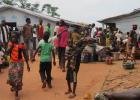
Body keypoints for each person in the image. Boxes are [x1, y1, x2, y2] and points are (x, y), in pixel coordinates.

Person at [7, 31, 30, 97]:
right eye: (12, 36)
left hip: (19, 63)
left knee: (18, 77)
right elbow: (7, 52)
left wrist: (28, 65)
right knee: (11, 76)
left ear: (18, 37)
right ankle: (14, 86)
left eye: (14, 36)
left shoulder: (21, 45)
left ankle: (16, 93)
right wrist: (11, 46)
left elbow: (25, 55)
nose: (13, 37)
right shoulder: (10, 44)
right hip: (12, 62)